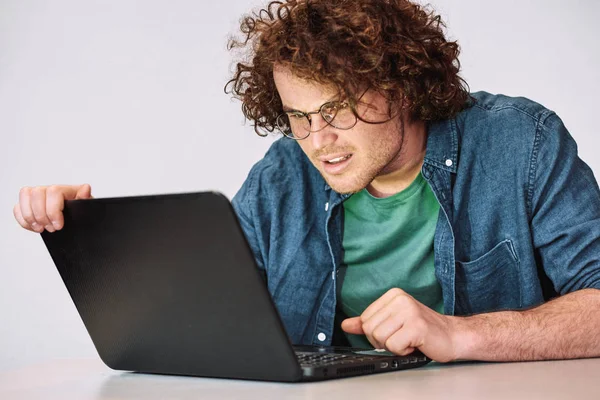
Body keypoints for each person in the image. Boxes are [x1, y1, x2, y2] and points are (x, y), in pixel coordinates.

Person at [13, 0, 600, 363]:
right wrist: (95, 236)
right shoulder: (280, 178)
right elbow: (197, 310)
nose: (318, 141)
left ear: (401, 85)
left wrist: (458, 335)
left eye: (338, 109)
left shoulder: (522, 143)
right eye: (299, 118)